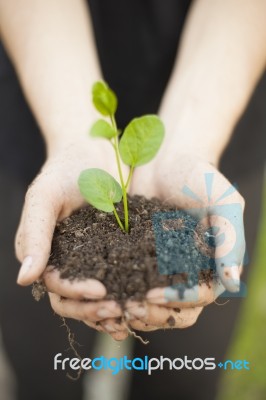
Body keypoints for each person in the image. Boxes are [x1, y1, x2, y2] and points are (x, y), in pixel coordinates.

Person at [0, 0, 265, 399]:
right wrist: (74, 133)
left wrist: (189, 142)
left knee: (186, 374)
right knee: (43, 369)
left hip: (218, 99)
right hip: (45, 95)